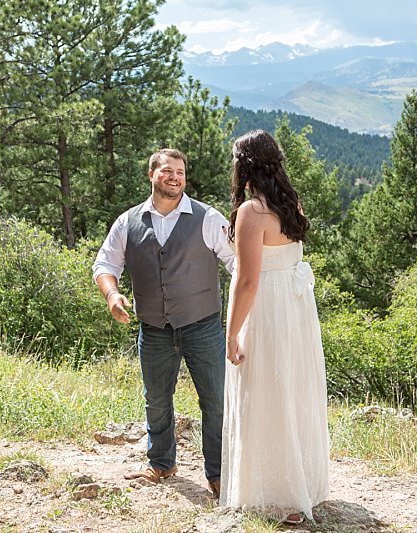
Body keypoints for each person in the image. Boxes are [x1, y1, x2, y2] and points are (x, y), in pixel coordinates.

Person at [93, 148, 234, 498]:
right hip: (154, 328)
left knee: (215, 400)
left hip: (202, 326)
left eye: (181, 172)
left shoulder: (208, 218)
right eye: (168, 171)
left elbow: (237, 263)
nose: (175, 177)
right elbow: (104, 265)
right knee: (156, 400)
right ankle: (161, 463)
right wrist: (112, 296)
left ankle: (218, 474)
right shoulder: (128, 222)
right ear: (152, 175)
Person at [220, 130, 330, 524]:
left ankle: (276, 495)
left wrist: (231, 332)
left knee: (264, 391)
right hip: (296, 309)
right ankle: (299, 485)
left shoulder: (252, 212)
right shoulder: (291, 205)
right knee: (292, 391)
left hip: (267, 308)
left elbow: (248, 280)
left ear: (243, 166)